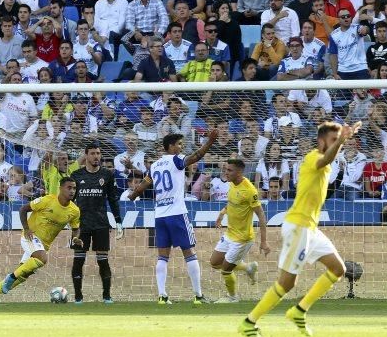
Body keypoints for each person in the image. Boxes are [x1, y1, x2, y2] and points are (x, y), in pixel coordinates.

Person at [239, 120, 361, 337]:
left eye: (337, 140)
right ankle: (250, 322)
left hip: (310, 228)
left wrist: (340, 140)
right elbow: (326, 158)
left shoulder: (327, 159)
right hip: (298, 226)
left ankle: (299, 311)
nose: (336, 143)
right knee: (287, 283)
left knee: (338, 269)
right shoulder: (313, 157)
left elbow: (330, 158)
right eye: (333, 140)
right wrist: (342, 140)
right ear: (321, 141)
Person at [127, 129, 221, 304]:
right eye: (179, 144)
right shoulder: (177, 160)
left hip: (160, 216)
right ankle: (198, 296)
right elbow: (197, 156)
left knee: (163, 256)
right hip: (177, 213)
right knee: (190, 253)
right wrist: (210, 142)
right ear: (170, 146)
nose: (181, 147)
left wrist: (132, 196)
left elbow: (142, 186)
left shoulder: (154, 166)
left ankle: (162, 296)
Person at [0, 177, 82, 306]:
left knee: (24, 274)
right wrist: (26, 229)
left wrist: (75, 238)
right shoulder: (47, 200)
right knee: (42, 259)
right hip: (30, 236)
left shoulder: (74, 210)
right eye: (69, 187)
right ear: (61, 188)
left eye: (74, 188)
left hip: (43, 244)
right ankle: (10, 278)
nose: (72, 191)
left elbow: (76, 228)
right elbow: (23, 209)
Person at [68, 142, 124, 304]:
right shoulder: (77, 175)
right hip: (81, 226)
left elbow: (113, 199)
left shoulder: (107, 175)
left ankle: (107, 296)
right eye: (92, 153)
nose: (96, 157)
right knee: (78, 259)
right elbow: (70, 200)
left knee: (103, 260)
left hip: (101, 224)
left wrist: (118, 221)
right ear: (86, 156)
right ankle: (78, 297)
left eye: (98, 154)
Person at [211, 159, 269, 303]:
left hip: (242, 239)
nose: (226, 173)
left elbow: (261, 215)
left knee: (225, 269)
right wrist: (222, 213)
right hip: (230, 234)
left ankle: (233, 297)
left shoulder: (249, 190)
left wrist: (264, 241)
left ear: (239, 172)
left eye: (229, 170)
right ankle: (248, 267)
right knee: (214, 262)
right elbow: (232, 203)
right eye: (225, 170)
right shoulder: (232, 184)